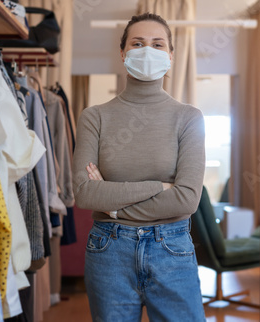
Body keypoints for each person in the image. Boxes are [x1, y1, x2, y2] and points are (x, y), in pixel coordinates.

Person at [72, 12, 206, 322]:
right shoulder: (94, 117)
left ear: (171, 55)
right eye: (138, 43)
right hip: (109, 251)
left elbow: (186, 199)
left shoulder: (188, 118)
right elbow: (84, 194)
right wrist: (158, 187)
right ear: (123, 53)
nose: (148, 51)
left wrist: (114, 205)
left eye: (158, 44)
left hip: (171, 248)